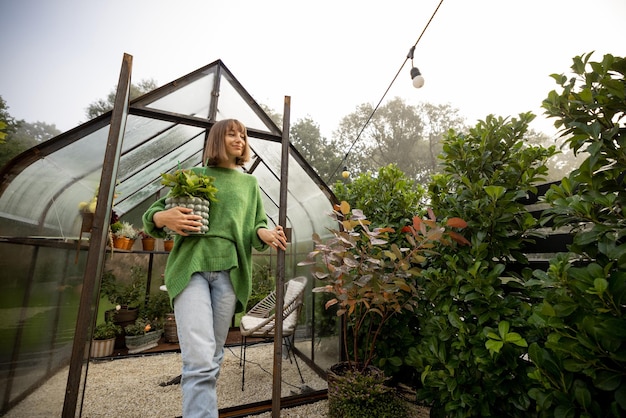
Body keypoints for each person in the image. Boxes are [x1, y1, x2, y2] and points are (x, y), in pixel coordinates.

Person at [142, 119, 287, 418]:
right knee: (199, 359)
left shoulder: (249, 183)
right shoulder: (194, 175)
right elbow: (154, 214)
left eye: (243, 135)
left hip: (229, 273)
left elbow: (255, 224)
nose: (239, 139)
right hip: (191, 268)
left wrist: (265, 234)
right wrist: (164, 218)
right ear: (216, 139)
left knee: (213, 355)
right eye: (232, 134)